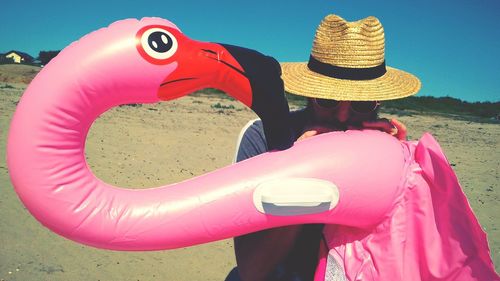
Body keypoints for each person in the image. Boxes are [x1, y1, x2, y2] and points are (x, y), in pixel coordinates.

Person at [226, 13, 421, 281]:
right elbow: (252, 271)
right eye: (328, 100)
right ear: (309, 92)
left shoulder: (387, 145)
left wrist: (399, 177)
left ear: (378, 103)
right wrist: (298, 173)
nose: (342, 116)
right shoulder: (261, 137)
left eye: (360, 104)